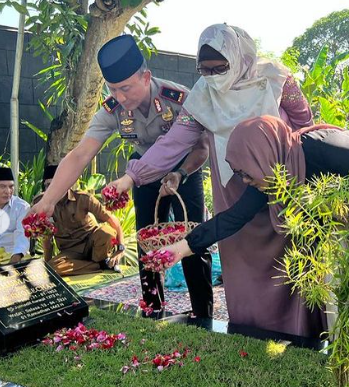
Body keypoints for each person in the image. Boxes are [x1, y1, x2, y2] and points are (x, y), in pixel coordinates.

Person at [105, 23, 320, 336]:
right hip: (232, 181)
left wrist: (293, 167)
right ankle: (247, 328)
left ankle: (296, 332)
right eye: (203, 69)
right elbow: (174, 142)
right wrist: (131, 177)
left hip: (280, 181)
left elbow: (304, 123)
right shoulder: (203, 94)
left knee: (285, 252)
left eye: (219, 67)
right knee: (239, 255)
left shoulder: (274, 78)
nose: (212, 76)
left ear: (238, 58)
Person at [161, 115, 349, 340]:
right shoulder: (274, 169)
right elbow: (233, 218)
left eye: (247, 173)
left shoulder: (321, 148)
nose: (246, 181)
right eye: (240, 174)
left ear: (262, 154)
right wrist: (180, 249)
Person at [29, 35, 213, 317]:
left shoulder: (178, 98)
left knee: (194, 237)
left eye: (126, 88)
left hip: (184, 168)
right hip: (141, 172)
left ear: (146, 77)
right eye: (114, 89)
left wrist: (180, 173)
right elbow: (80, 154)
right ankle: (153, 308)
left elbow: (201, 146)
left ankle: (203, 313)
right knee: (146, 239)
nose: (121, 97)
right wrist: (49, 200)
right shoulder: (112, 109)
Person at [32, 165, 124, 276]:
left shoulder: (83, 199)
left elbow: (112, 220)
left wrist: (120, 249)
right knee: (53, 269)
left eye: (57, 184)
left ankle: (99, 260)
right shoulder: (41, 204)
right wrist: (47, 265)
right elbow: (47, 238)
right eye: (48, 186)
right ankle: (101, 264)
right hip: (70, 251)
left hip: (92, 243)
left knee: (106, 232)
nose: (53, 189)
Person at [0, 167, 30, 265]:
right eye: (2, 186)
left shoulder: (22, 207)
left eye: (11, 186)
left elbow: (22, 235)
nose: (8, 191)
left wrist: (15, 259)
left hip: (12, 255)